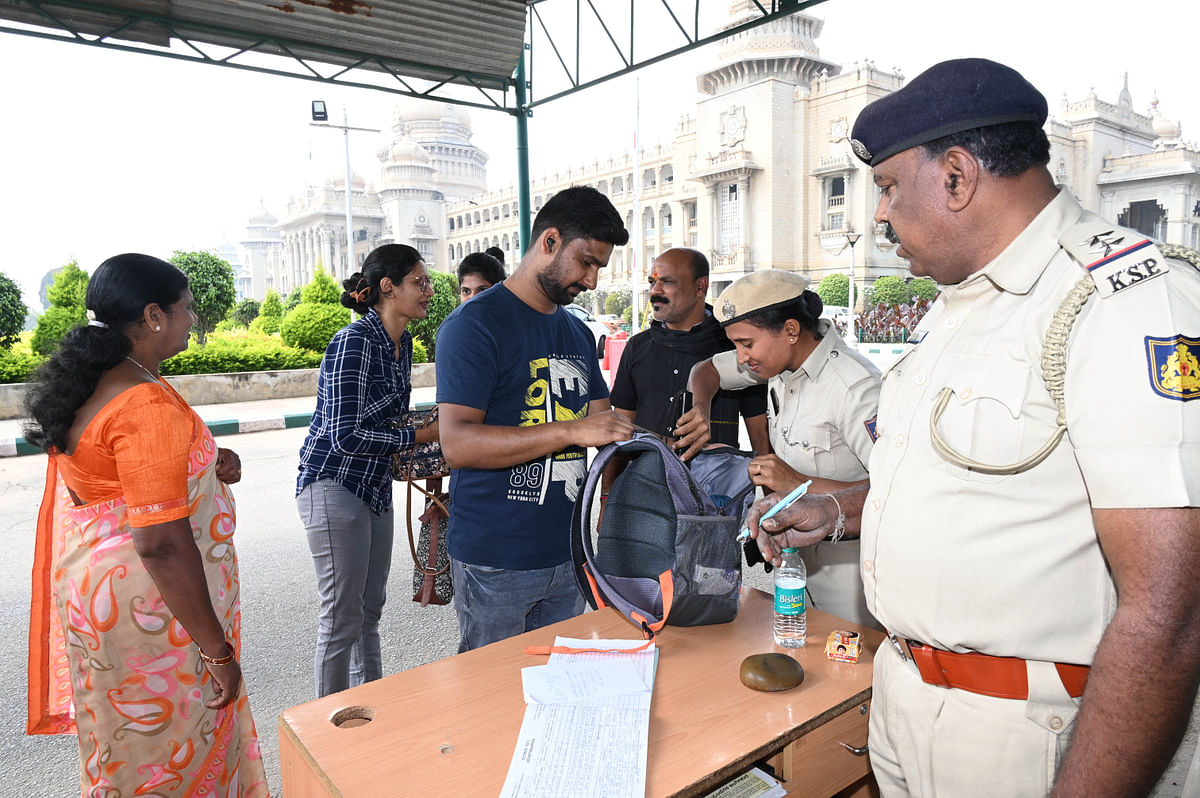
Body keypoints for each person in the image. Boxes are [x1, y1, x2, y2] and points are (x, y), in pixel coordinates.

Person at [741, 58, 1200, 797]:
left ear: (956, 175)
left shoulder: (1122, 302)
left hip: (1032, 737)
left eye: (889, 186)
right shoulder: (962, 306)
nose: (880, 214)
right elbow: (958, 485)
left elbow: (1171, 615)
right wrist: (835, 510)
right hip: (906, 703)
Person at [24, 253, 269, 796]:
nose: (192, 322)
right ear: (154, 316)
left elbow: (101, 482)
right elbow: (159, 542)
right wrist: (217, 653)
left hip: (100, 605)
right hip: (154, 610)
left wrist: (208, 462)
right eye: (187, 310)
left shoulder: (93, 384)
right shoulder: (144, 402)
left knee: (128, 754)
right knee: (176, 754)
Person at [436, 185, 635, 651]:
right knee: (494, 702)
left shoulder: (577, 332)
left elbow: (601, 423)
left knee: (559, 692)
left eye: (599, 268)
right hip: (496, 561)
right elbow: (458, 444)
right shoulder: (474, 326)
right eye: (586, 262)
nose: (592, 281)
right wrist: (570, 430)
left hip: (568, 554)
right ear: (549, 243)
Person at [674, 269, 880, 629]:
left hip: (850, 577)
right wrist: (701, 411)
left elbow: (895, 494)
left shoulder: (855, 389)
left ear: (790, 330)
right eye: (736, 344)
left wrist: (795, 480)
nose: (740, 358)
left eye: (746, 344)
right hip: (795, 560)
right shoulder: (778, 364)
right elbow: (705, 371)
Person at [295, 243, 439, 697]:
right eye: (419, 281)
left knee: (368, 612)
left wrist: (433, 433)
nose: (430, 291)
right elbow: (344, 436)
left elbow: (389, 419)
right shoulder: (353, 342)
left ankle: (368, 710)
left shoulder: (404, 344)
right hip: (332, 483)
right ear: (387, 287)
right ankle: (327, 730)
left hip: (373, 487)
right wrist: (421, 436)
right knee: (341, 619)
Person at [607, 247, 769, 450]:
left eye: (667, 282)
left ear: (700, 287)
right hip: (644, 478)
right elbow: (621, 432)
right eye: (652, 282)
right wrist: (610, 482)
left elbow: (760, 434)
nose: (655, 291)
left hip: (713, 480)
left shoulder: (733, 347)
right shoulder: (637, 347)